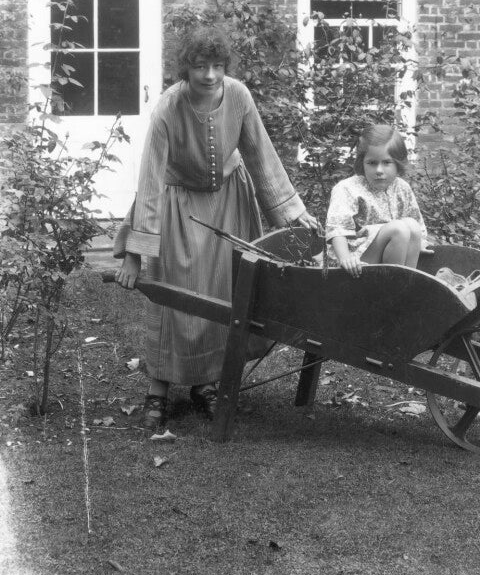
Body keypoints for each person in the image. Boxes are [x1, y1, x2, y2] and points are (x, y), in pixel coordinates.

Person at [114, 24, 317, 430]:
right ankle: (158, 389)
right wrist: (136, 254)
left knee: (222, 292)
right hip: (177, 204)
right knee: (173, 292)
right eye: (200, 66)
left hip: (228, 201)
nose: (209, 75)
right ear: (185, 68)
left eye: (218, 66)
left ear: (227, 66)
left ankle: (205, 384)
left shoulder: (239, 95)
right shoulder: (169, 108)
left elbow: (261, 155)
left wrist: (293, 214)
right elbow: (151, 181)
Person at [324, 124, 428, 277]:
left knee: (412, 226)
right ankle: (388, 287)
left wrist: (419, 242)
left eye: (386, 162)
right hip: (354, 262)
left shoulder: (402, 187)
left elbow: (416, 223)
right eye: (372, 163)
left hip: (393, 254)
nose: (379, 170)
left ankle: (406, 282)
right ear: (362, 163)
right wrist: (345, 259)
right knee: (398, 229)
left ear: (398, 164)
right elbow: (336, 229)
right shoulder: (347, 188)